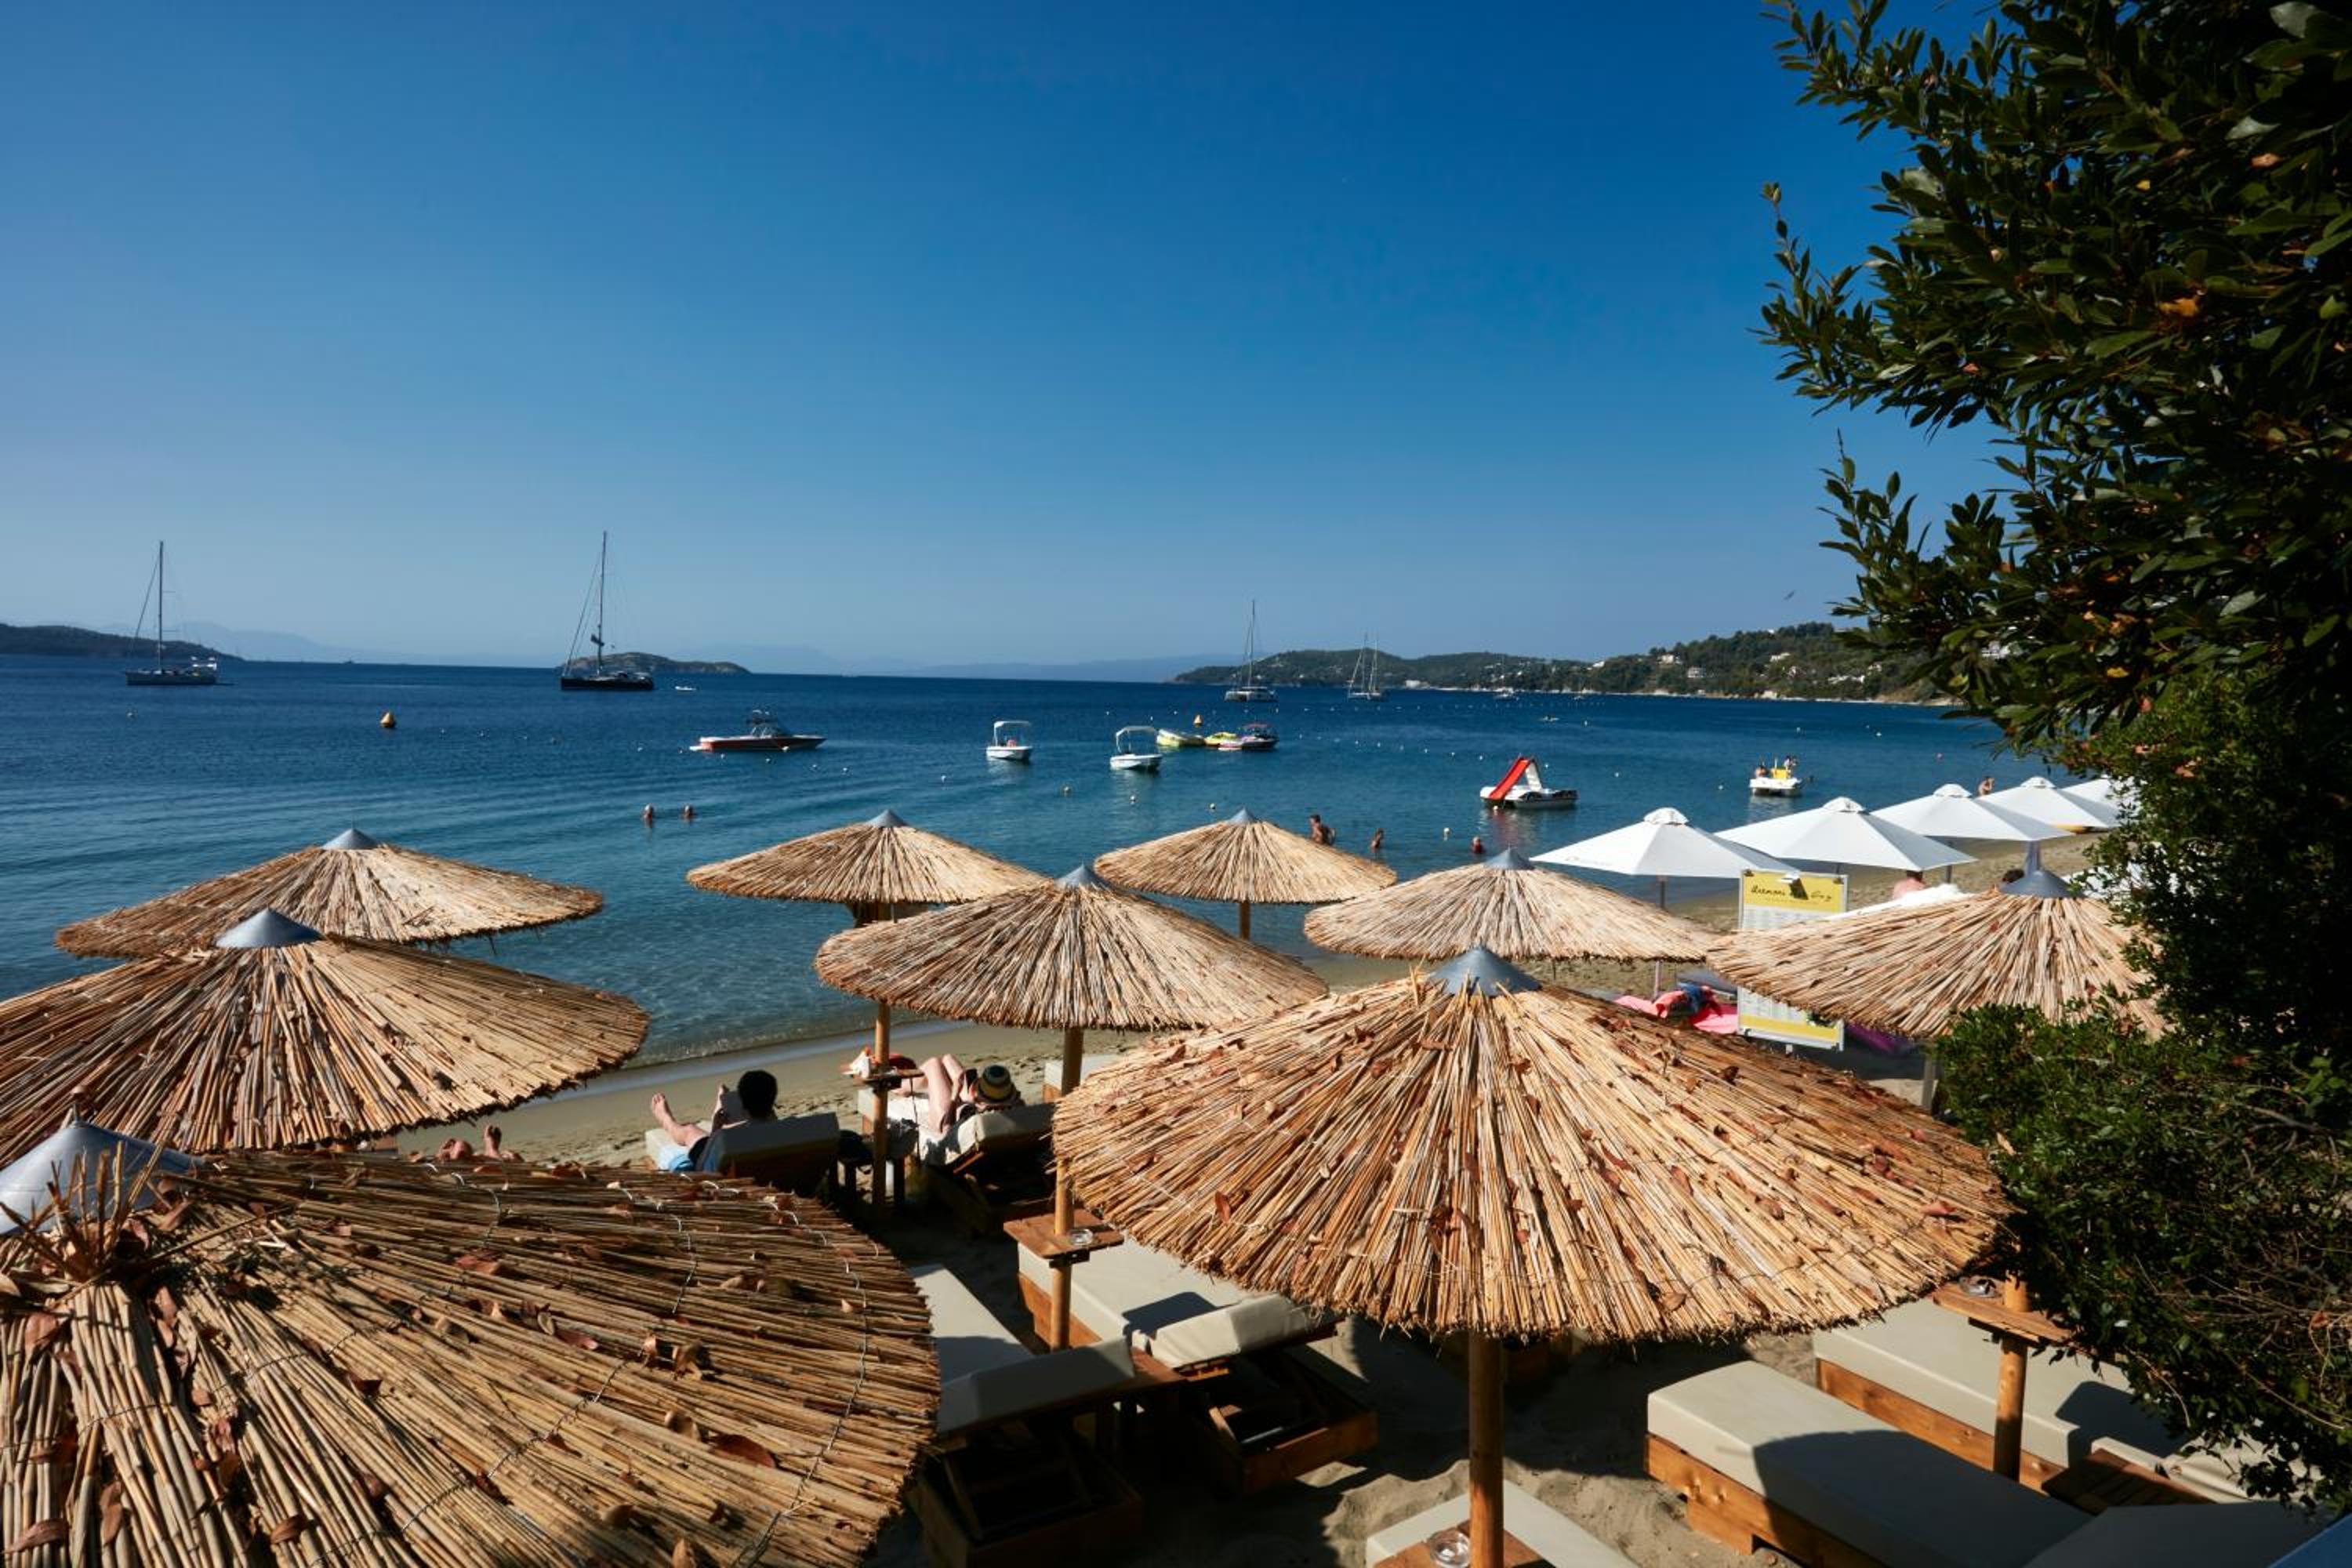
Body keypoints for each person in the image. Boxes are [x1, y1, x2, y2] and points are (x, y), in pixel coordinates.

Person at [648, 1069, 779, 1173]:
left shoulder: (723, 1138)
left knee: (689, 1131)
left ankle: (667, 1121)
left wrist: (716, 1129)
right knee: (744, 1125)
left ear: (741, 1103)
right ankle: (718, 1112)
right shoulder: (786, 1129)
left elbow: (701, 1166)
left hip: (727, 1170)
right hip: (762, 1165)